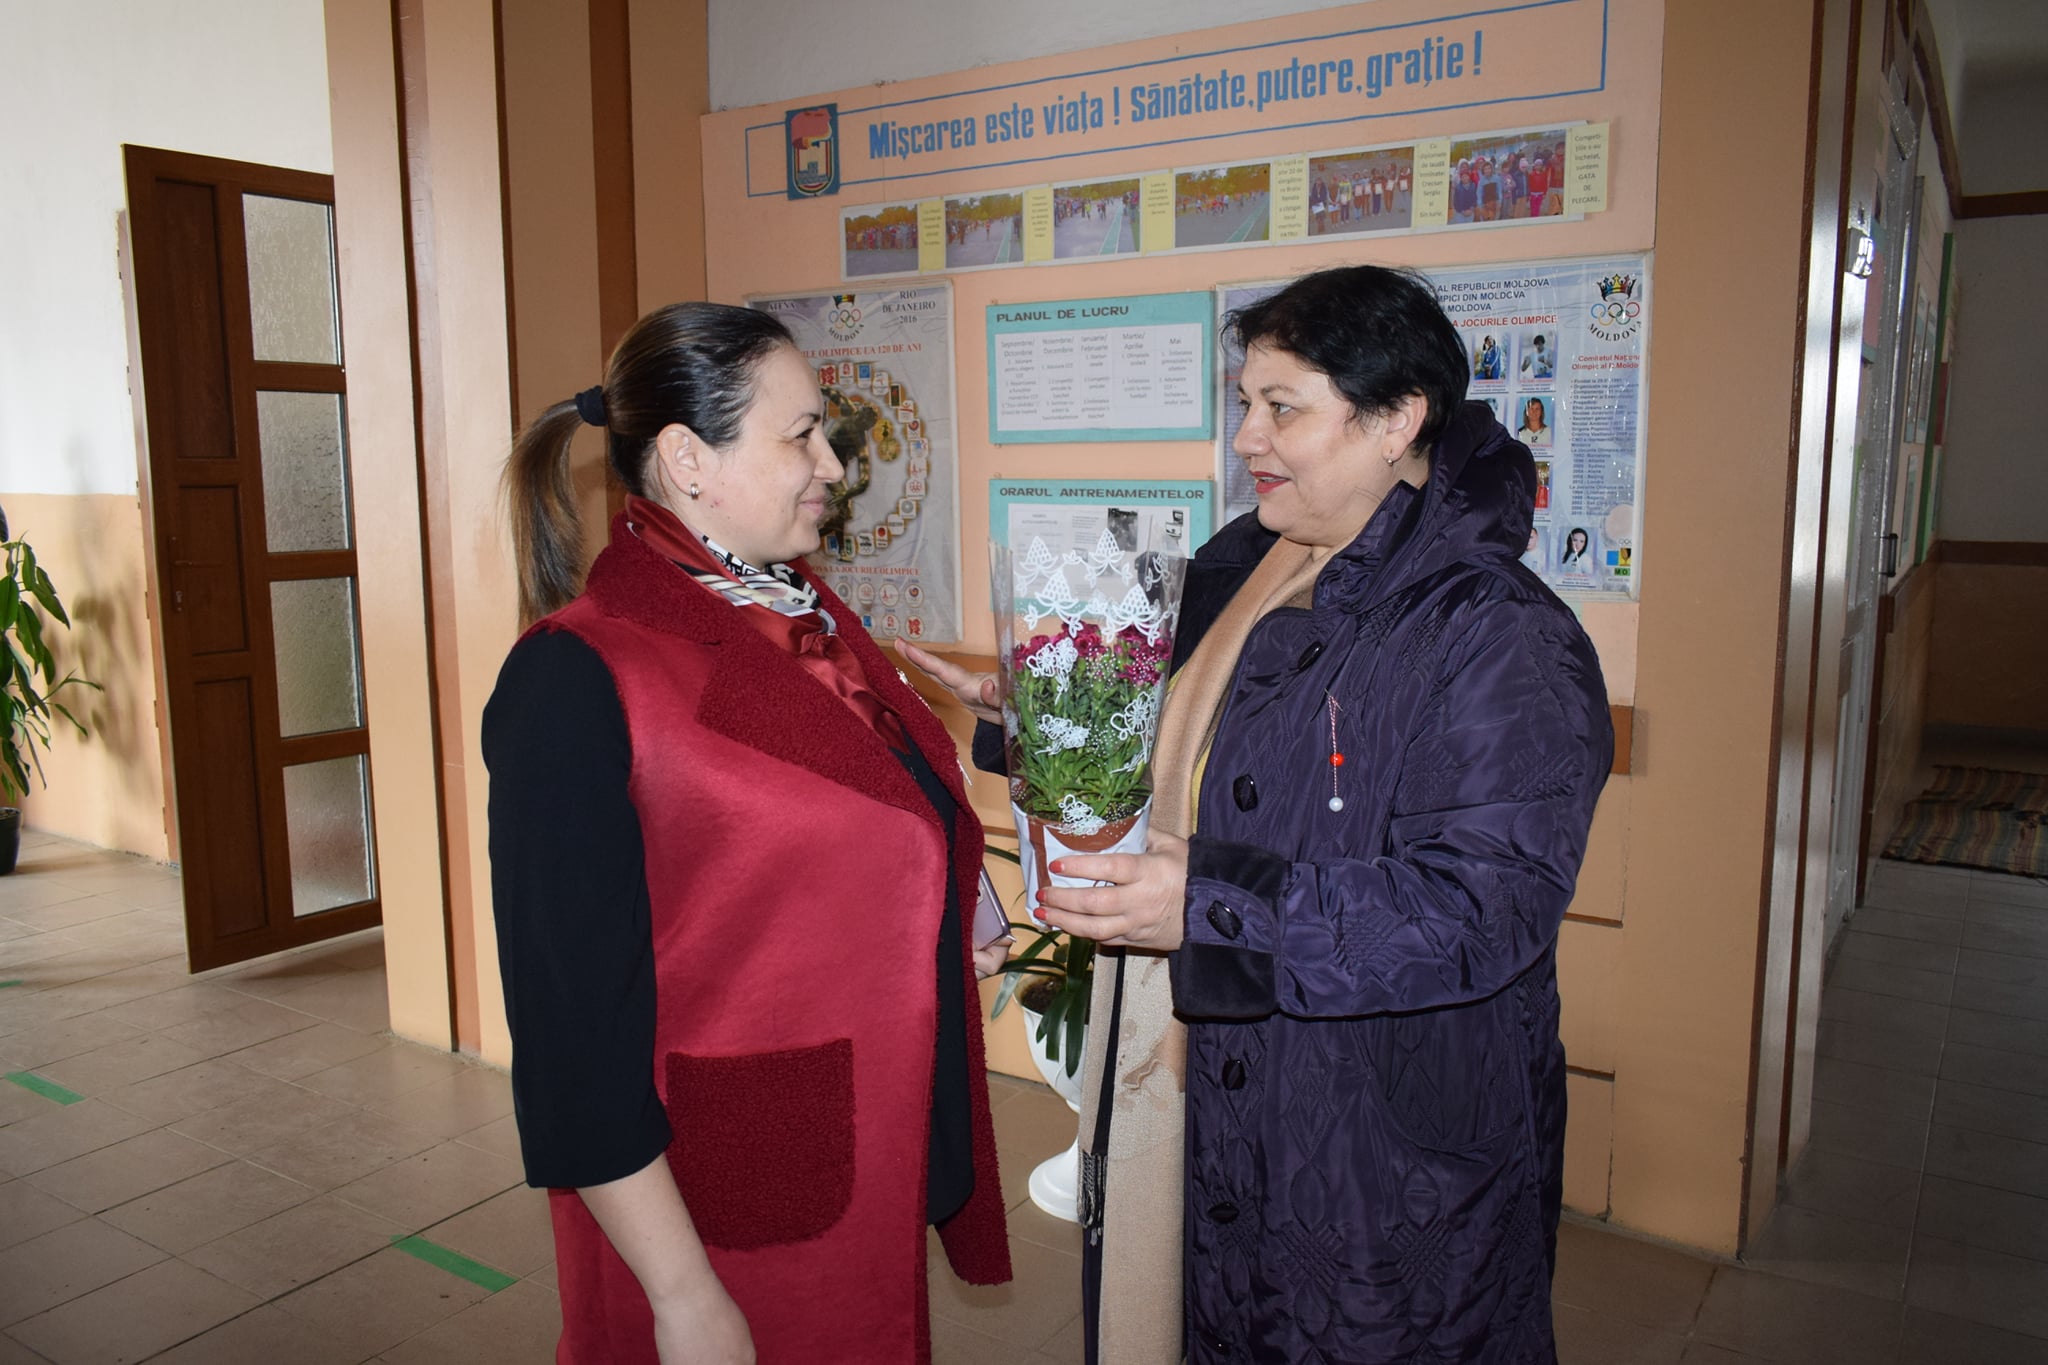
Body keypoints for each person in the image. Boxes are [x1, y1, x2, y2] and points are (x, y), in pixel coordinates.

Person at [911, 267, 1611, 1365]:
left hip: (1376, 1135)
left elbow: (1483, 908)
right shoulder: (1248, 565)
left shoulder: (1499, 634)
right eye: (1245, 403)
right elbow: (1198, 757)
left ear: (1397, 419)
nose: (1246, 438)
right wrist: (1042, 713)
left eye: (1282, 408)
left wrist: (1208, 904)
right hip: (1208, 1075)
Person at [483, 302, 1011, 1365]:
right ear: (688, 459)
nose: (832, 465)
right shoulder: (574, 678)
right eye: (801, 434)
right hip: (716, 1205)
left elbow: (853, 813)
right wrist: (682, 1297)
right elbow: (569, 1040)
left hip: (860, 1148)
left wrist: (945, 907)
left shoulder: (794, 613)